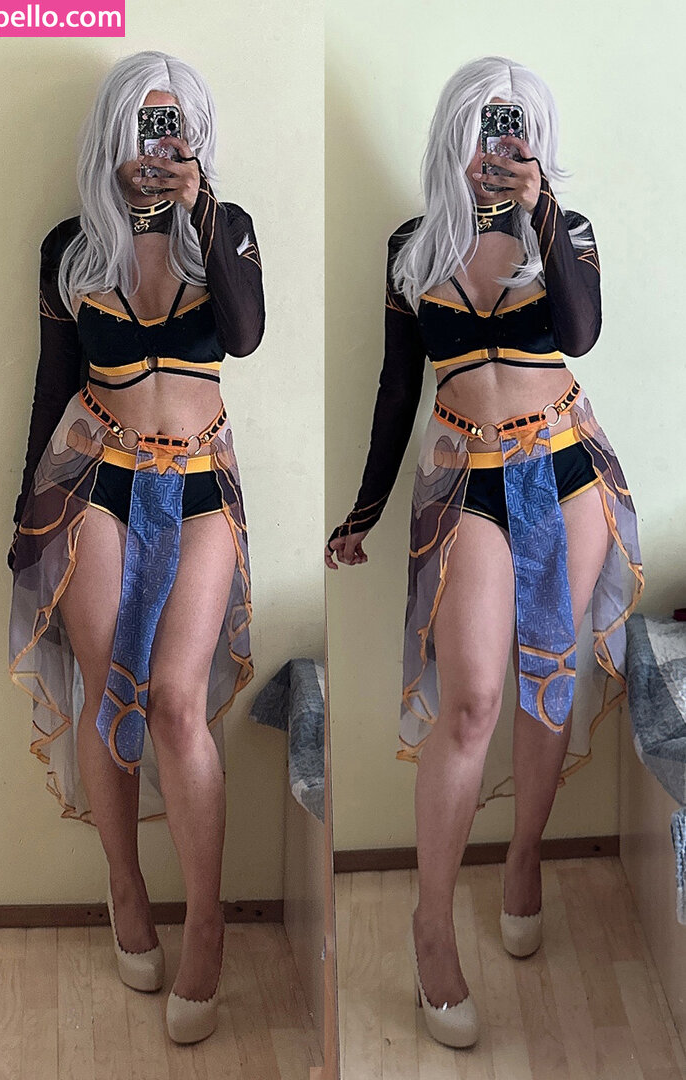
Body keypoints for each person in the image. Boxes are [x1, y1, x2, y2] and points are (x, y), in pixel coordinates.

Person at [325, 55, 642, 1048]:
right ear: (454, 134)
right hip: (464, 480)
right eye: (482, 127)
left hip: (566, 468)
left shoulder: (568, 233)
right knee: (470, 699)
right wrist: (363, 510)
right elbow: (397, 387)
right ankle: (430, 925)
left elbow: (581, 335)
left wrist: (541, 212)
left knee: (547, 676)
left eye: (514, 130)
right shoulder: (411, 247)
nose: (495, 148)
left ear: (534, 141)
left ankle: (523, 855)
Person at [7, 50, 264, 1044]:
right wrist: (18, 519)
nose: (159, 142)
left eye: (175, 125)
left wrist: (200, 212)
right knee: (109, 688)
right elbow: (51, 381)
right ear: (115, 132)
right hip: (90, 476)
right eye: (144, 124)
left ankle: (206, 923)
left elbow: (243, 337)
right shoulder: (69, 246)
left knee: (175, 700)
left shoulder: (226, 230)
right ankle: (125, 886)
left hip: (198, 481)